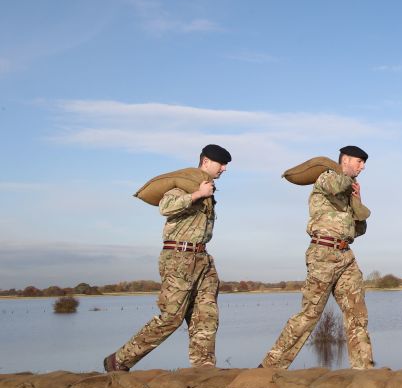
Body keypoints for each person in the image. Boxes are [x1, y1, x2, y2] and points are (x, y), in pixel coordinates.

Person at [103, 144, 232, 371]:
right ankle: (119, 360)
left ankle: (204, 367)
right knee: (171, 317)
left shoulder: (208, 189)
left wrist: (204, 193)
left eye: (226, 165)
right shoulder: (183, 185)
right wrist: (197, 194)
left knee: (206, 314)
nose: (224, 169)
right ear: (205, 162)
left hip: (202, 258)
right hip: (179, 257)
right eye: (221, 164)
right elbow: (165, 206)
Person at [261, 145, 374, 369]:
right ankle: (270, 367)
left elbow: (358, 230)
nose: (363, 166)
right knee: (310, 314)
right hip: (323, 254)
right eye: (359, 162)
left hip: (345, 255)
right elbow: (337, 184)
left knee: (357, 313)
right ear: (346, 160)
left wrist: (357, 201)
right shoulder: (327, 178)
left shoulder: (347, 191)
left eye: (363, 163)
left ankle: (364, 371)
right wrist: (348, 179)